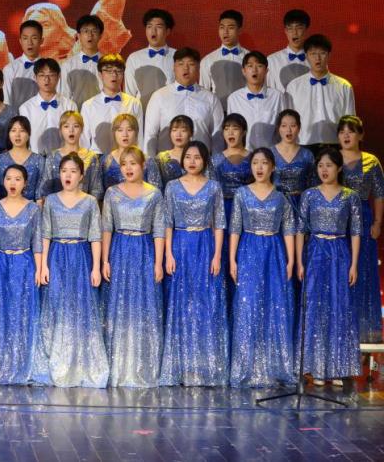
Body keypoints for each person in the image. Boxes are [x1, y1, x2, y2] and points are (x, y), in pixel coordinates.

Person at [160, 141, 228, 387]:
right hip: (180, 246)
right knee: (181, 303)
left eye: (197, 157)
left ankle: (205, 366)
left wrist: (217, 255)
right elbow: (167, 223)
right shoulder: (172, 187)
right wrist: (168, 254)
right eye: (188, 156)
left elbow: (219, 223)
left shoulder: (214, 187)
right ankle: (181, 367)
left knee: (205, 304)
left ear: (205, 161)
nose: (192, 161)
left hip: (205, 246)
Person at [37, 153, 108, 388]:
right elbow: (45, 235)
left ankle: (81, 363)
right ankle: (58, 361)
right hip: (57, 256)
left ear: (81, 176)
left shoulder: (90, 202)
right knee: (57, 305)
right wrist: (43, 265)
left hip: (81, 257)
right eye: (64, 171)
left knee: (80, 308)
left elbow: (95, 236)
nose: (68, 175)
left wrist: (96, 267)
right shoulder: (51, 200)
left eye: (73, 171)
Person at [228, 148, 297, 388]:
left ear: (272, 167)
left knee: (273, 305)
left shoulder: (281, 197)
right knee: (248, 305)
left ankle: (274, 368)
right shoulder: (241, 194)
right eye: (255, 163)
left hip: (274, 252)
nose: (259, 167)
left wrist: (291, 260)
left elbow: (288, 229)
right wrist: (232, 259)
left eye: (264, 163)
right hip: (248, 250)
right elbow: (235, 227)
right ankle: (246, 368)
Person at [100, 146, 165, 387]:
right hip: (119, 250)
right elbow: (106, 228)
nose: (128, 168)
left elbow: (159, 230)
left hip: (144, 251)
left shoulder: (154, 194)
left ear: (143, 166)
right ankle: (119, 365)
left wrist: (158, 262)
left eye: (133, 163)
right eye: (124, 164)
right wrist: (105, 260)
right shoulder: (112, 193)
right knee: (119, 305)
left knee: (143, 305)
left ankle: (142, 365)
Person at [296, 147, 361, 386]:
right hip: (315, 252)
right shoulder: (309, 195)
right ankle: (314, 367)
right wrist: (300, 261)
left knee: (338, 306)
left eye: (329, 165)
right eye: (321, 165)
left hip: (340, 253)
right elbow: (300, 231)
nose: (324, 170)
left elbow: (355, 232)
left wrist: (354, 264)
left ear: (339, 168)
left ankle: (337, 367)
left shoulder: (350, 196)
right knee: (314, 306)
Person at [0, 164, 44, 387]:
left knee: (22, 313)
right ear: (3, 182)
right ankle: (0, 362)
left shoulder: (33, 209)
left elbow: (37, 242)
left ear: (25, 183)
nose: (13, 183)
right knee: (0, 312)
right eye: (9, 178)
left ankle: (23, 363)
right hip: (1, 265)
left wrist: (39, 268)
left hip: (25, 265)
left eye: (17, 179)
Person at [337, 115, 384, 344]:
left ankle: (365, 338)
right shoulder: (331, 158)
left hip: (364, 220)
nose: (346, 136)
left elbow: (380, 194)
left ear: (361, 135)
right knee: (340, 273)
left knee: (363, 274)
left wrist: (377, 223)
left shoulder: (371, 161)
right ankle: (341, 334)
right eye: (342, 131)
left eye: (351, 131)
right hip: (337, 220)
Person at [143, 47, 224, 158]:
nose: (185, 68)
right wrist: (151, 164)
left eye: (191, 64)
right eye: (181, 64)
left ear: (198, 68)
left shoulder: (211, 99)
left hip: (201, 163)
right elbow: (150, 134)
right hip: (167, 164)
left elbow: (217, 137)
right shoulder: (159, 96)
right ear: (174, 67)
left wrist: (216, 164)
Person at [285, 34, 355, 149]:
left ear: (329, 55)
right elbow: (288, 120)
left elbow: (350, 121)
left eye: (322, 53)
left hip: (334, 144)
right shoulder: (293, 86)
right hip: (302, 144)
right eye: (313, 54)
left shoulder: (344, 86)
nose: (317, 58)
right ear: (306, 56)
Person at [211, 113, 253, 300]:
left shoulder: (253, 158)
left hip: (246, 212)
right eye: (227, 128)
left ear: (243, 132)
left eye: (235, 128)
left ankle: (241, 300)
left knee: (242, 255)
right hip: (222, 211)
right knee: (222, 254)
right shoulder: (215, 160)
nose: (230, 132)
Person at [81, 54, 144, 155]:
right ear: (100, 74)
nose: (114, 75)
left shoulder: (134, 103)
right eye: (109, 71)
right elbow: (84, 141)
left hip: (126, 157)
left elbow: (139, 138)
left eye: (118, 71)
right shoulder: (88, 106)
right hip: (97, 157)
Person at [227, 50, 288, 151]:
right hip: (244, 153)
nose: (254, 70)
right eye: (250, 66)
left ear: (266, 71)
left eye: (259, 66)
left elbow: (284, 127)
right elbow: (230, 131)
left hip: (271, 153)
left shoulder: (277, 96)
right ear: (244, 71)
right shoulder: (234, 99)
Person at [38, 111, 103, 203]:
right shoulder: (52, 157)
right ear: (60, 130)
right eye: (66, 126)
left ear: (81, 129)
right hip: (57, 207)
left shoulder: (91, 156)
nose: (71, 130)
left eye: (76, 126)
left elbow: (96, 189)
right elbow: (45, 187)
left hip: (84, 207)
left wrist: (88, 206)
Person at [19, 58, 77, 156]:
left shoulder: (70, 105)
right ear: (35, 77)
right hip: (35, 158)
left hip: (64, 159)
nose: (46, 79)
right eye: (42, 75)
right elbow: (24, 139)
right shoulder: (25, 108)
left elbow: (75, 136)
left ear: (58, 77)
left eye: (51, 75)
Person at [124, 8, 176, 109]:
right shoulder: (134, 58)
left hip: (170, 111)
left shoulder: (178, 57)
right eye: (149, 26)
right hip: (142, 112)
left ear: (167, 31)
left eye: (158, 27)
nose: (153, 31)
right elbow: (129, 94)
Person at [199, 9, 248, 109]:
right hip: (218, 109)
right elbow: (204, 92)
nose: (225, 32)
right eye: (222, 27)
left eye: (230, 28)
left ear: (239, 30)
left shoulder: (250, 58)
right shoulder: (208, 60)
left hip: (244, 109)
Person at [272, 109, 317, 213]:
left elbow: (314, 184)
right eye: (284, 126)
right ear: (278, 128)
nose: (288, 130)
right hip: (276, 205)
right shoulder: (270, 153)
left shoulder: (307, 155)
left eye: (293, 126)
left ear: (299, 128)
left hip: (302, 206)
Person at [100, 113, 161, 191]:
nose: (125, 134)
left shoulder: (147, 161)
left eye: (129, 130)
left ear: (136, 132)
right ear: (114, 133)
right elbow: (99, 192)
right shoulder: (105, 161)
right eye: (120, 130)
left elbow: (156, 192)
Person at [0, 116, 45, 201]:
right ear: (9, 134)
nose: (17, 135)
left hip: (31, 207)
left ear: (29, 134)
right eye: (13, 130)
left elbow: (40, 192)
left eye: (22, 131)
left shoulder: (39, 160)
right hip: (5, 206)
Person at [58, 14, 104, 109]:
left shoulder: (108, 64)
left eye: (94, 31)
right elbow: (64, 96)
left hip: (102, 112)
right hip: (76, 114)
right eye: (86, 31)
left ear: (100, 35)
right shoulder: (68, 65)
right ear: (78, 35)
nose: (90, 35)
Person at [3, 20, 44, 112]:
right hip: (18, 118)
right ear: (20, 41)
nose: (30, 43)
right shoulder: (10, 69)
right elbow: (7, 101)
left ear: (41, 40)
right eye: (25, 38)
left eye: (34, 38)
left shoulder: (49, 69)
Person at [267, 9, 311, 92]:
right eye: (290, 28)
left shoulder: (316, 59)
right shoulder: (272, 60)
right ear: (285, 31)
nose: (294, 33)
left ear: (306, 30)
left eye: (299, 28)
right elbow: (270, 92)